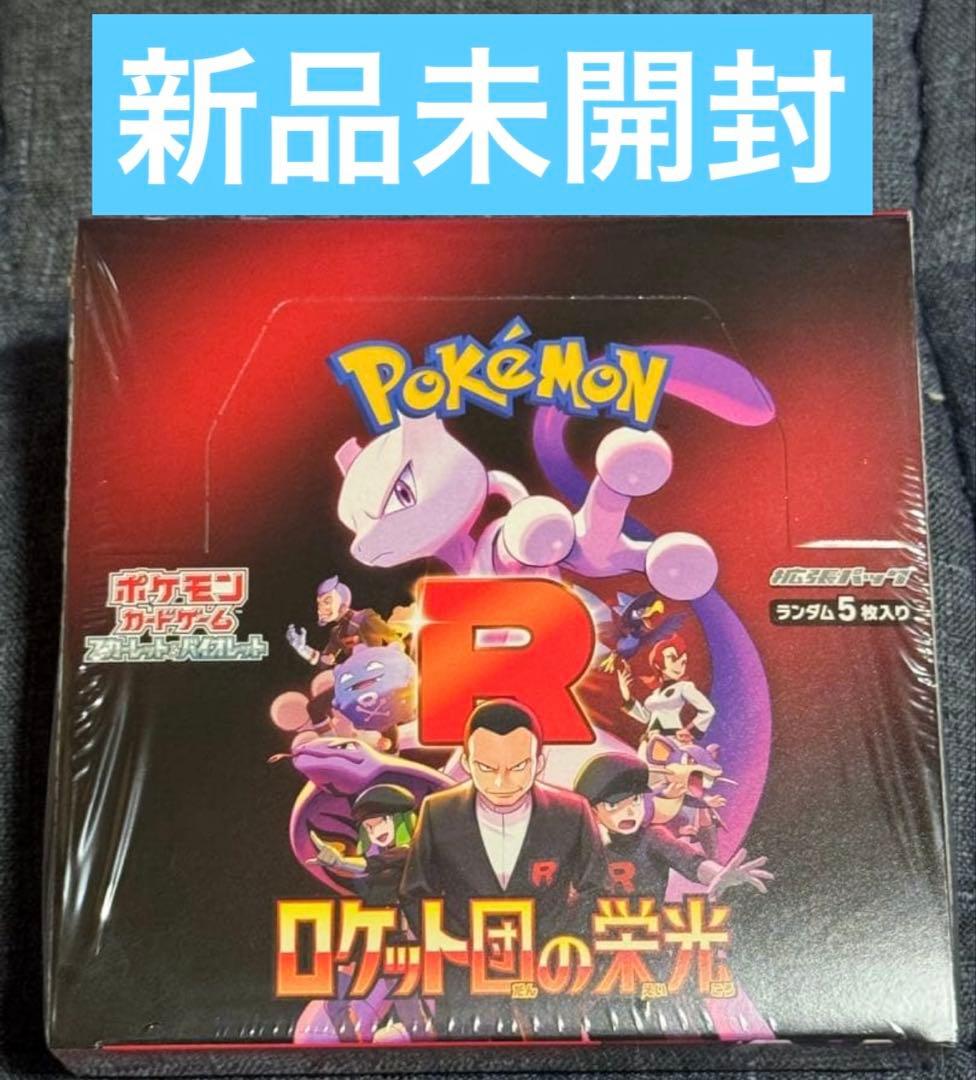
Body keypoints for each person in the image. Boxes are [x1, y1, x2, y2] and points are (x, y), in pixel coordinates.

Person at [399, 699, 607, 1038]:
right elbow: (414, 891)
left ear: (540, 762)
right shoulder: (438, 811)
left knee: (557, 1056)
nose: (501, 781)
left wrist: (564, 943)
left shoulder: (572, 812)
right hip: (467, 977)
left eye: (519, 766)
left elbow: (597, 888)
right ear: (466, 762)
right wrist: (451, 946)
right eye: (485, 767)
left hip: (549, 973)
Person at [572, 752, 772, 901]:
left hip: (645, 932)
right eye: (614, 805)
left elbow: (691, 862)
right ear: (594, 812)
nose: (630, 811)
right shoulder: (585, 846)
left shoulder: (652, 838)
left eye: (635, 800)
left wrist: (718, 874)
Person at [617, 632, 715, 748]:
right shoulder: (655, 694)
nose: (679, 665)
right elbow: (645, 718)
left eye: (683, 662)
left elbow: (708, 710)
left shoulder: (684, 687)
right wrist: (627, 695)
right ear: (657, 664)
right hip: (648, 740)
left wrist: (689, 731)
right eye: (673, 658)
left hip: (671, 740)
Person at [286, 575, 399, 669]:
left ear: (343, 603)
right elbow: (324, 661)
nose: (320, 609)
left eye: (327, 601)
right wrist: (302, 649)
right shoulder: (336, 633)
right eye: (319, 603)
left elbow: (393, 639)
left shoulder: (366, 617)